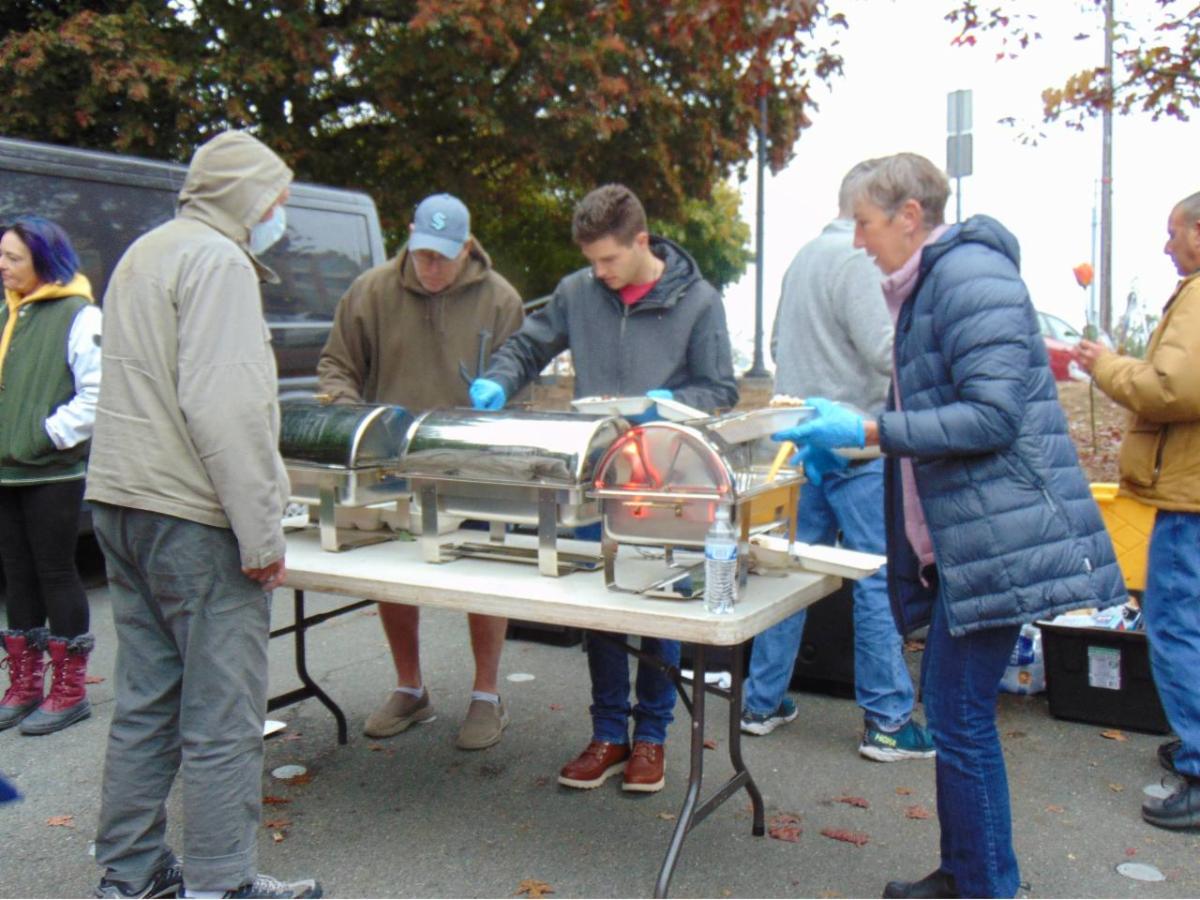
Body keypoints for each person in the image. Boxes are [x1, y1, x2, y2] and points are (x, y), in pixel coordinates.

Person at [772, 153, 1124, 899]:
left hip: (998, 535)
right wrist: (862, 437)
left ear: (909, 216)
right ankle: (966, 872)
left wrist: (870, 430)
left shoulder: (967, 277)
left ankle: (987, 884)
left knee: (960, 717)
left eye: (865, 224)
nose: (857, 241)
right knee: (954, 712)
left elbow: (992, 416)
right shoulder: (928, 283)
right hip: (970, 535)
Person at [86, 131, 321, 900]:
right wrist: (262, 534)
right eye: (277, 200)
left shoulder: (145, 252)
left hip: (121, 500)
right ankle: (222, 884)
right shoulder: (219, 262)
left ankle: (131, 874)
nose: (280, 215)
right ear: (248, 197)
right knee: (224, 714)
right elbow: (227, 409)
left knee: (145, 703)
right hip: (193, 514)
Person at [471, 183, 738, 794]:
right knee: (604, 606)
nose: (599, 272)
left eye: (609, 259)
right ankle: (609, 732)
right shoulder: (577, 292)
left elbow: (720, 388)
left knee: (660, 607)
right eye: (591, 261)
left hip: (669, 479)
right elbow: (527, 346)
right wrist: (499, 380)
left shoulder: (699, 302)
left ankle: (652, 736)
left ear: (642, 241)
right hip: (599, 472)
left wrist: (671, 404)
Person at [740, 164, 934, 763]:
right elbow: (885, 352)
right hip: (858, 442)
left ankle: (760, 702)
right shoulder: (859, 261)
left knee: (791, 574)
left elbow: (777, 347)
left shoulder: (802, 258)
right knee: (875, 579)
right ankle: (888, 721)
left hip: (802, 444)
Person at [317, 192, 524, 750]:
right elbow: (337, 365)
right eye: (424, 253)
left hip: (472, 463)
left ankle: (486, 695)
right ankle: (410, 687)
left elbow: (521, 375)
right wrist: (351, 419)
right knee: (393, 575)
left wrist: (504, 403)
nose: (431, 266)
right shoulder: (370, 292)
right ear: (410, 236)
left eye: (443, 257)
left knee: (484, 575)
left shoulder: (500, 300)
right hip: (391, 460)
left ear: (467, 247)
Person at [1075, 189, 1200, 832]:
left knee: (1177, 626)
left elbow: (1173, 388)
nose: (1166, 245)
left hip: (1190, 497)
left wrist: (1107, 366)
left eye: (1173, 232)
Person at [0, 216, 100, 736]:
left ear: (43, 259)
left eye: (13, 257)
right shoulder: (7, 312)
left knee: (55, 572)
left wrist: (45, 436)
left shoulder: (78, 314)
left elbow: (96, 394)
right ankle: (23, 686)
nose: (2, 266)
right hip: (6, 471)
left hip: (51, 472)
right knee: (15, 575)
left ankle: (69, 691)